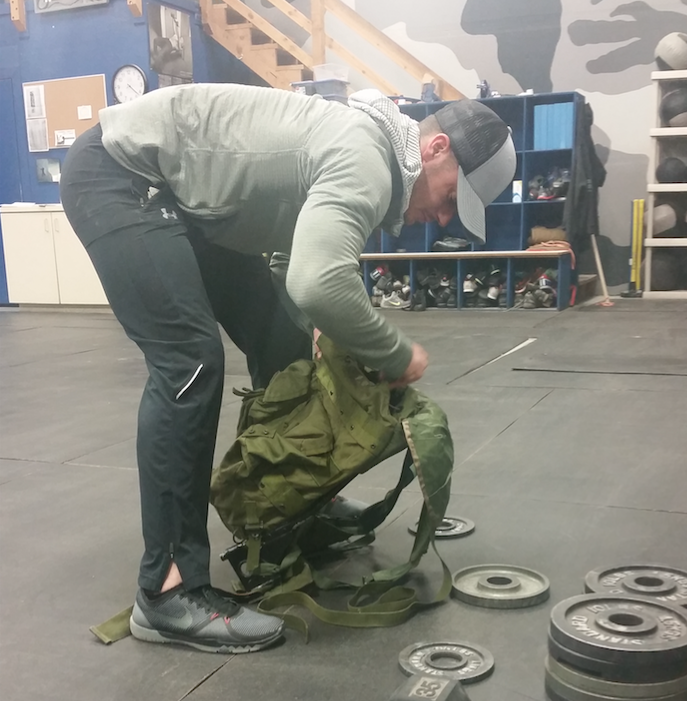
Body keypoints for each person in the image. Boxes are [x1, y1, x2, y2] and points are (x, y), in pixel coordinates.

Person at [60, 83, 515, 655]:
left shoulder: (368, 150)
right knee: (190, 363)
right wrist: (394, 354)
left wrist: (319, 323)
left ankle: (291, 509)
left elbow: (286, 248)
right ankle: (168, 592)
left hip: (185, 199)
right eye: (452, 198)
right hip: (120, 176)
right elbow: (319, 280)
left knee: (285, 342)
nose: (445, 218)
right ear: (436, 149)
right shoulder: (368, 160)